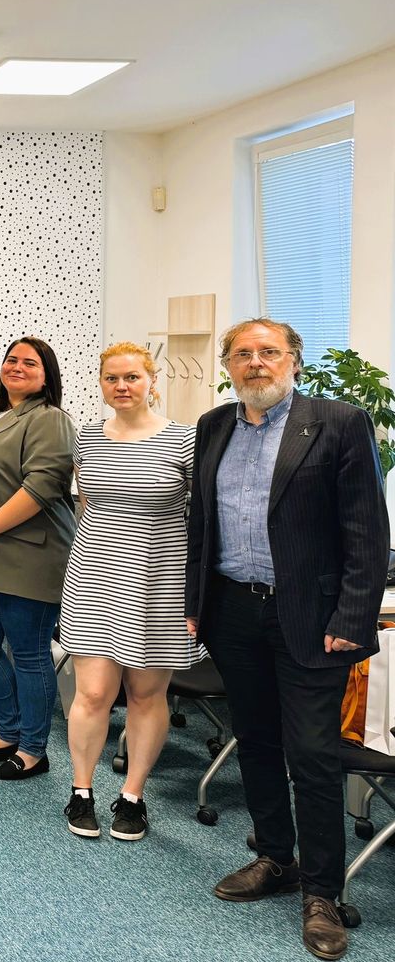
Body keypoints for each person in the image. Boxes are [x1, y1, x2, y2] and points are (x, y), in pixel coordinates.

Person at [186, 318, 388, 962]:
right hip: (233, 611)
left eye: (268, 352)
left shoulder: (339, 423)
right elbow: (201, 523)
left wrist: (352, 617)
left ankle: (323, 892)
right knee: (256, 741)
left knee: (313, 755)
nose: (255, 363)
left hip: (312, 620)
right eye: (242, 353)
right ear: (228, 365)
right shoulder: (213, 426)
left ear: (293, 361)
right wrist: (196, 605)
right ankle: (276, 857)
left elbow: (367, 530)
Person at [59, 343, 199, 840]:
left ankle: (133, 797)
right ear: (101, 383)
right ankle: (81, 791)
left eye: (132, 377)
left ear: (151, 381)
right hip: (94, 576)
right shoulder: (86, 438)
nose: (122, 386)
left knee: (145, 693)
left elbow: (202, 516)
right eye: (112, 378)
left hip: (160, 579)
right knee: (93, 692)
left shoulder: (184, 439)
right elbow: (86, 504)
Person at [0, 337, 76, 781]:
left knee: (28, 652)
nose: (16, 367)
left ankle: (34, 749)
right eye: (11, 359)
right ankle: (9, 732)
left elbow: (42, 486)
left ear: (46, 374)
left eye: (29, 362)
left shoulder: (50, 418)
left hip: (27, 553)